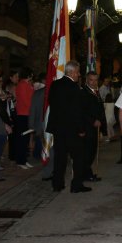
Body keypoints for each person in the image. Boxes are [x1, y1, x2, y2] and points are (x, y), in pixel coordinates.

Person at [46, 61, 90, 193]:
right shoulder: (74, 87)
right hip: (72, 130)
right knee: (78, 158)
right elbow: (76, 111)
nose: (79, 75)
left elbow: (51, 103)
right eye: (77, 72)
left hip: (58, 128)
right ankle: (76, 185)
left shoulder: (55, 84)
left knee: (60, 157)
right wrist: (81, 129)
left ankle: (57, 184)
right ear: (71, 72)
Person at [81, 71, 106, 182]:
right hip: (87, 127)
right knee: (88, 152)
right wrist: (93, 121)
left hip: (95, 127)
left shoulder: (96, 91)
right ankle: (86, 174)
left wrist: (101, 120)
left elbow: (99, 108)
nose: (94, 82)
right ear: (87, 80)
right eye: (91, 80)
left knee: (92, 151)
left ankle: (87, 173)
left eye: (96, 80)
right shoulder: (83, 93)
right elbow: (82, 111)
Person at [28, 73, 50, 181]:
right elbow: (33, 109)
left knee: (43, 144)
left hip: (41, 123)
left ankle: (43, 162)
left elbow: (32, 110)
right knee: (45, 146)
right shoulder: (39, 93)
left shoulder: (38, 93)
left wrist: (31, 124)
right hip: (44, 123)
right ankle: (45, 166)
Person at [14, 67, 34, 169]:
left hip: (28, 114)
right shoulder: (22, 85)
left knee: (26, 138)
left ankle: (24, 159)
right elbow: (25, 101)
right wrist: (33, 108)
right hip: (23, 114)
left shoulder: (28, 85)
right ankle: (20, 161)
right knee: (22, 138)